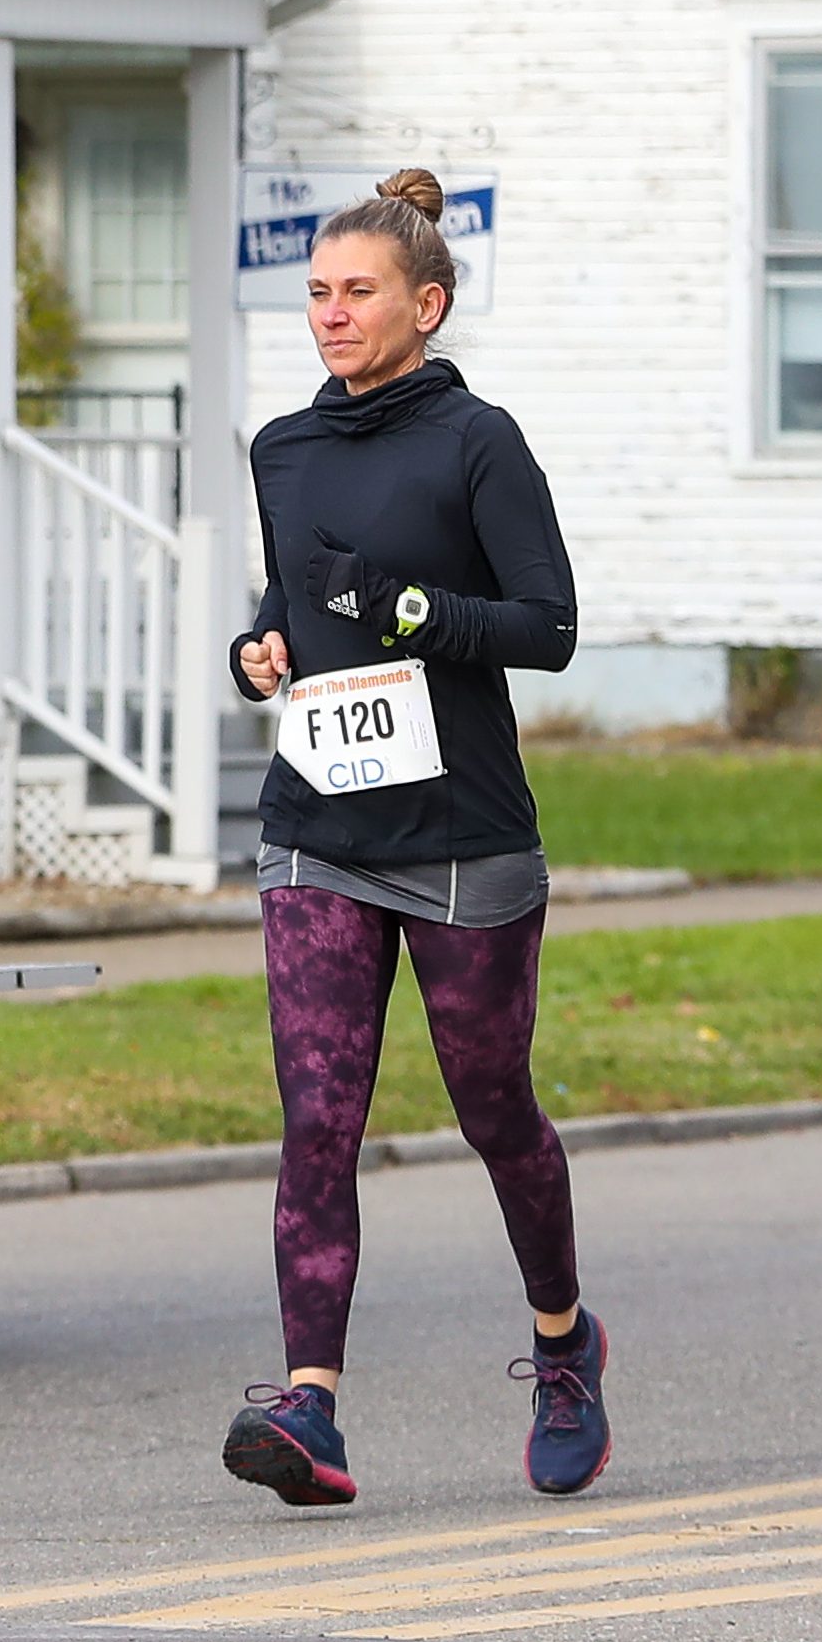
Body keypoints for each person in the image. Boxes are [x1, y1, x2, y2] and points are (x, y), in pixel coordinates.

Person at [216, 169, 601, 1508]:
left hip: (458, 837)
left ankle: (562, 1343)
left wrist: (408, 611)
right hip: (317, 826)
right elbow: (288, 598)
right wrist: (256, 647)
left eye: (355, 291)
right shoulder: (280, 446)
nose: (328, 313)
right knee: (317, 1115)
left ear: (423, 303)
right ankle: (308, 1409)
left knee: (492, 1110)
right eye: (315, 292)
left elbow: (543, 624)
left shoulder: (476, 442)